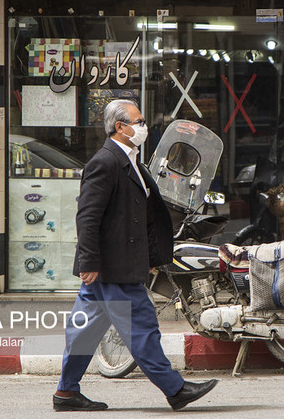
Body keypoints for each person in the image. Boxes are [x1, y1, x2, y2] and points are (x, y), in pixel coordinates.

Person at [53, 99, 217, 411]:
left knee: (84, 332)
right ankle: (175, 388)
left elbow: (139, 216)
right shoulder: (105, 162)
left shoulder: (133, 162)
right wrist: (88, 261)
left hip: (117, 264)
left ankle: (65, 393)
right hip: (113, 266)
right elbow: (87, 217)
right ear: (120, 127)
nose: (144, 127)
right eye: (138, 122)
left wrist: (152, 257)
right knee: (142, 326)